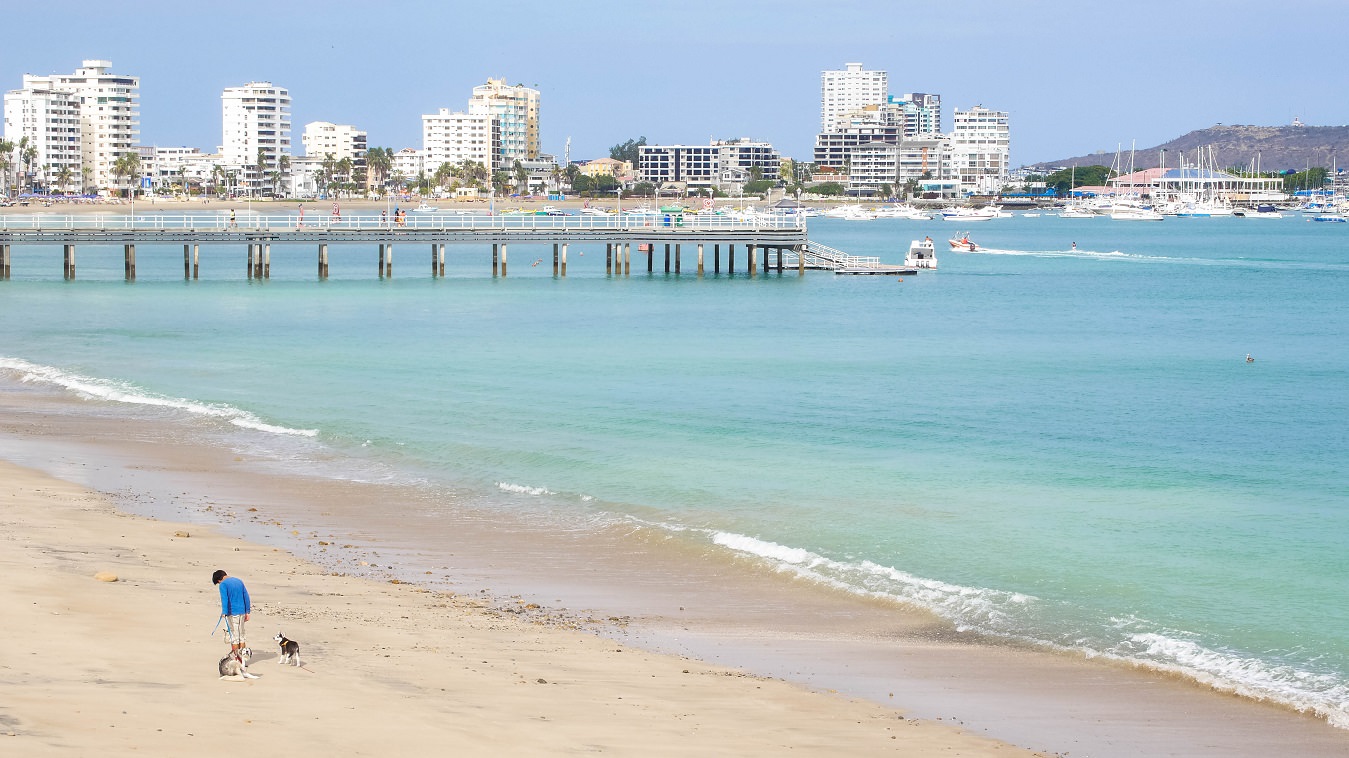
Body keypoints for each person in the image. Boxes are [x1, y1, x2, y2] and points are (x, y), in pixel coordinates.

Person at [212, 569, 251, 664]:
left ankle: (236, 659)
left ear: (219, 580)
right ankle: (243, 659)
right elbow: (246, 596)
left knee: (234, 636)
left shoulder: (223, 585)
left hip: (233, 612)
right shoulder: (238, 581)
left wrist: (224, 612)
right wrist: (247, 611)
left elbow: (224, 599)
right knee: (241, 635)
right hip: (242, 611)